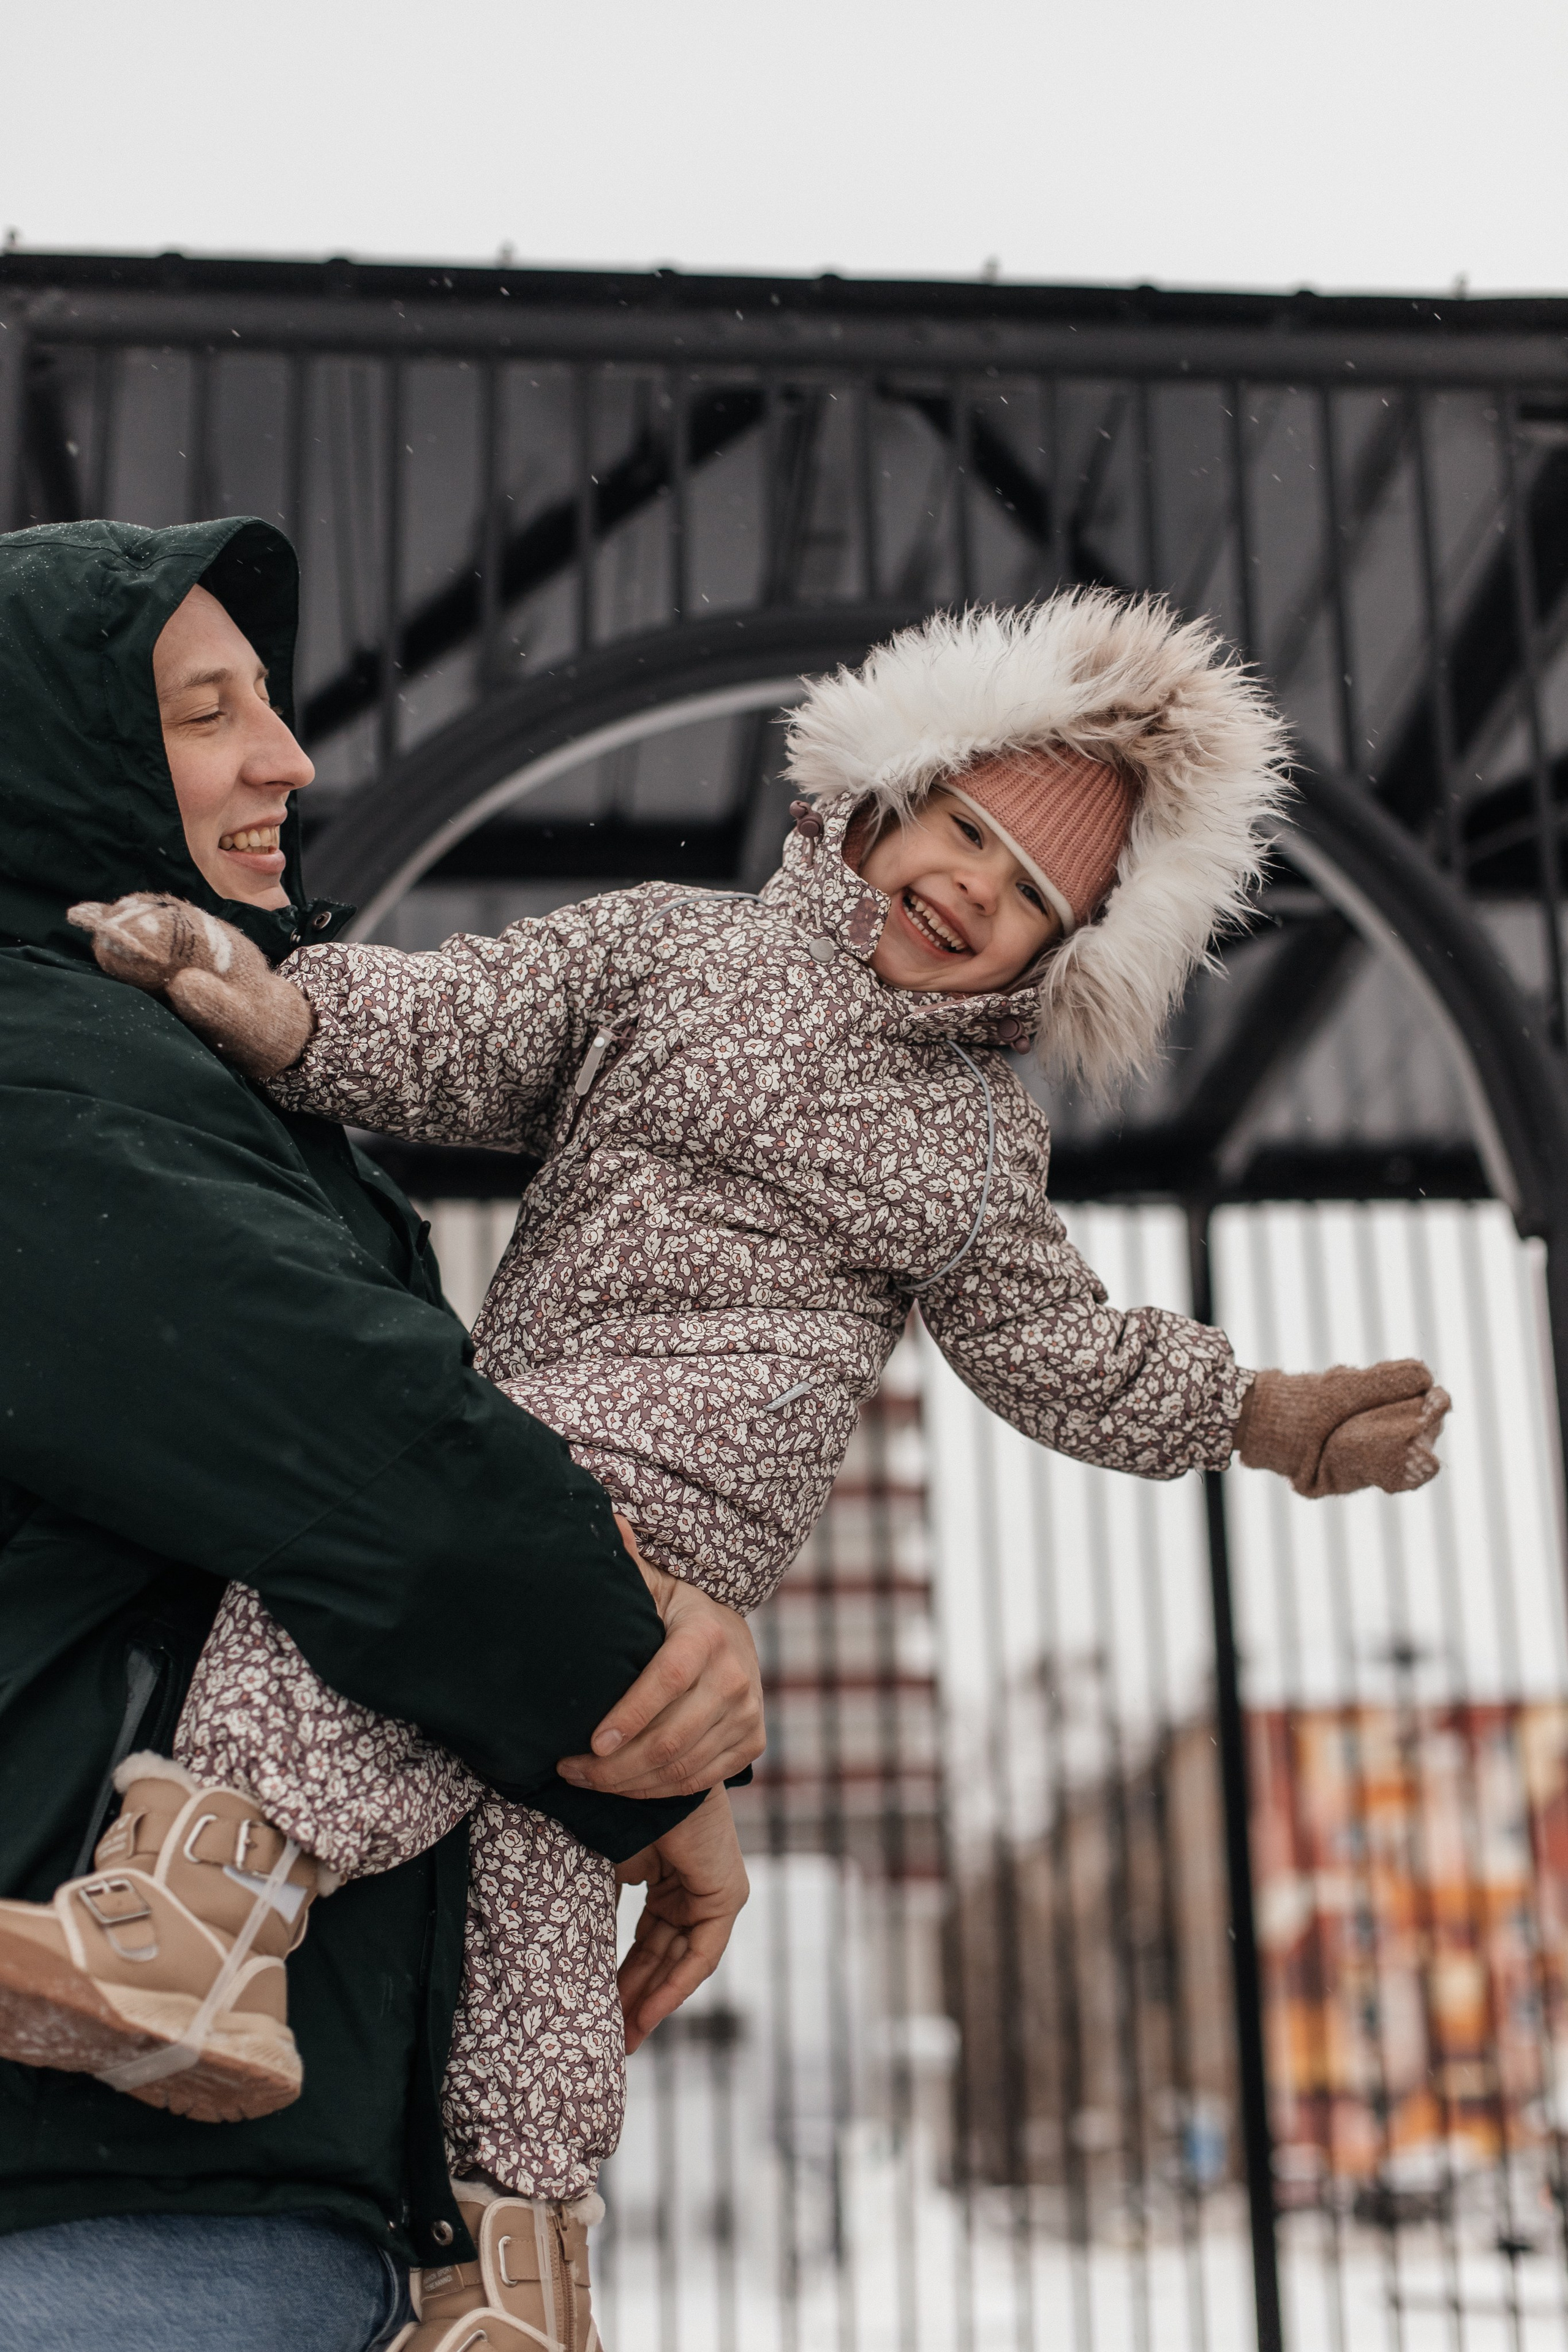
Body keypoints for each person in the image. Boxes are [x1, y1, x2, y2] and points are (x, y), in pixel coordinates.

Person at [61, 589, 1449, 2352]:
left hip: (642, 1486)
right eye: (959, 826)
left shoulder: (976, 1145)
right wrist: (272, 1008)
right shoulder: (669, 950)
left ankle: (199, 1919)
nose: (967, 886)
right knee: (543, 1881)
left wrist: (1258, 1410)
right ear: (884, 797)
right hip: (567, 1468)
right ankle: (516, 2269)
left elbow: (1055, 1346)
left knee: (345, 1610)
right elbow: (458, 1026)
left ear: (1066, 954)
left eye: (1029, 891)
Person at [0, 518, 763, 2352]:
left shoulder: (170, 1081)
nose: (290, 759)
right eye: (205, 714)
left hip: (200, 2191)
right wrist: (656, 1753)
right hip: (97, 2206)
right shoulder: (40, 1073)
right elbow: (389, 1470)